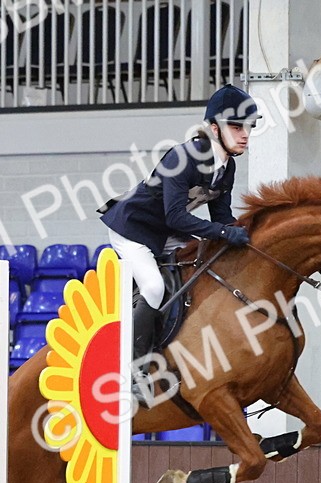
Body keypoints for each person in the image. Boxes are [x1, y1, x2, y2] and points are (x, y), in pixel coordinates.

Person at [100, 84, 259, 404]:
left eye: (248, 128)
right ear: (214, 128)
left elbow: (221, 216)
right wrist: (224, 233)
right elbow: (175, 217)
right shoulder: (183, 157)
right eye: (236, 126)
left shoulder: (227, 166)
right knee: (155, 288)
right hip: (134, 230)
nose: (244, 135)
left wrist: (248, 236)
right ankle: (134, 370)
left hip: (166, 229)